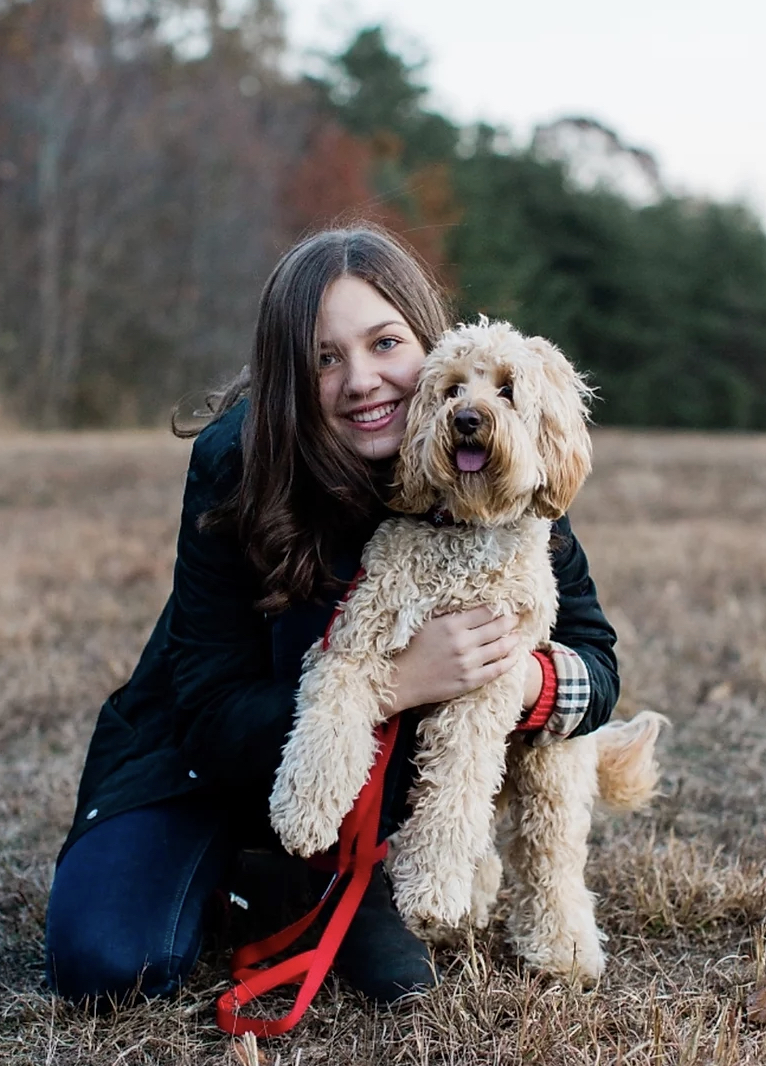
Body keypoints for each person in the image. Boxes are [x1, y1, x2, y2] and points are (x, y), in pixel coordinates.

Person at [45, 225, 619, 1008]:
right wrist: (397, 683)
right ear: (290, 373)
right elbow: (210, 710)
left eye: (385, 343)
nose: (361, 381)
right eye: (325, 357)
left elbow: (596, 663)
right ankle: (257, 872)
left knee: (395, 979)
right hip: (204, 763)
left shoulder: (493, 474)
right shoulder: (238, 464)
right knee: (108, 965)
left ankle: (334, 883)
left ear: (428, 340)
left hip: (375, 800)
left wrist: (517, 677)